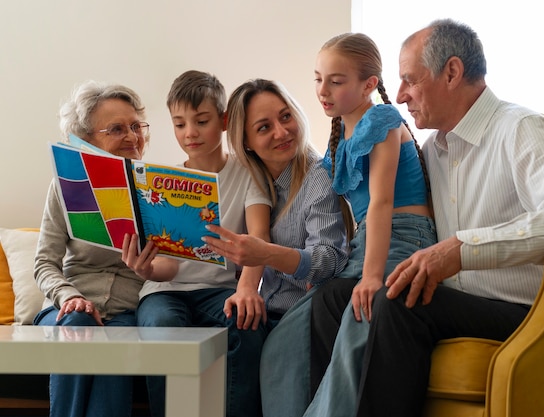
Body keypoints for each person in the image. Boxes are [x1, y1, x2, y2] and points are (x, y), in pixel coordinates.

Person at [353, 19, 544, 417]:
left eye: (409, 80)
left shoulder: (520, 128)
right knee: (335, 297)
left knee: (400, 304)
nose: (399, 96)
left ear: (451, 72)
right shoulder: (434, 149)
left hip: (527, 311)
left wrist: (462, 249)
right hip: (461, 304)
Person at [299, 32, 437, 417]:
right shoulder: (339, 132)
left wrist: (372, 276)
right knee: (287, 336)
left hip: (405, 238)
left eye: (336, 81)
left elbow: (381, 203)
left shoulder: (382, 121)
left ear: (369, 84)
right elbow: (351, 215)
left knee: (361, 317)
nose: (322, 90)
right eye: (318, 78)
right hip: (367, 244)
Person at [120, 70, 271, 417]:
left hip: (219, 291)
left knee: (247, 323)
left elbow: (259, 237)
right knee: (160, 329)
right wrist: (145, 268)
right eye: (178, 124)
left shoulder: (248, 174)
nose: (189, 133)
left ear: (223, 120)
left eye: (201, 121)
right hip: (165, 291)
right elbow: (167, 265)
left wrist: (248, 288)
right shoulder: (160, 182)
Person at [202, 78, 349, 417]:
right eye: (264, 127)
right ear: (247, 142)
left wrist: (266, 254)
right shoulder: (250, 185)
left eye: (286, 117)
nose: (282, 132)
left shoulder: (319, 176)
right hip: (264, 313)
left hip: (299, 316)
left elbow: (330, 259)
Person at [33, 80, 150, 417]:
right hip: (65, 309)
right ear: (86, 141)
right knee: (76, 322)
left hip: (126, 313)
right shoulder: (66, 186)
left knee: (113, 350)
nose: (132, 136)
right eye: (116, 129)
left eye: (136, 126)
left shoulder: (159, 190)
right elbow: (44, 262)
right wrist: (68, 296)